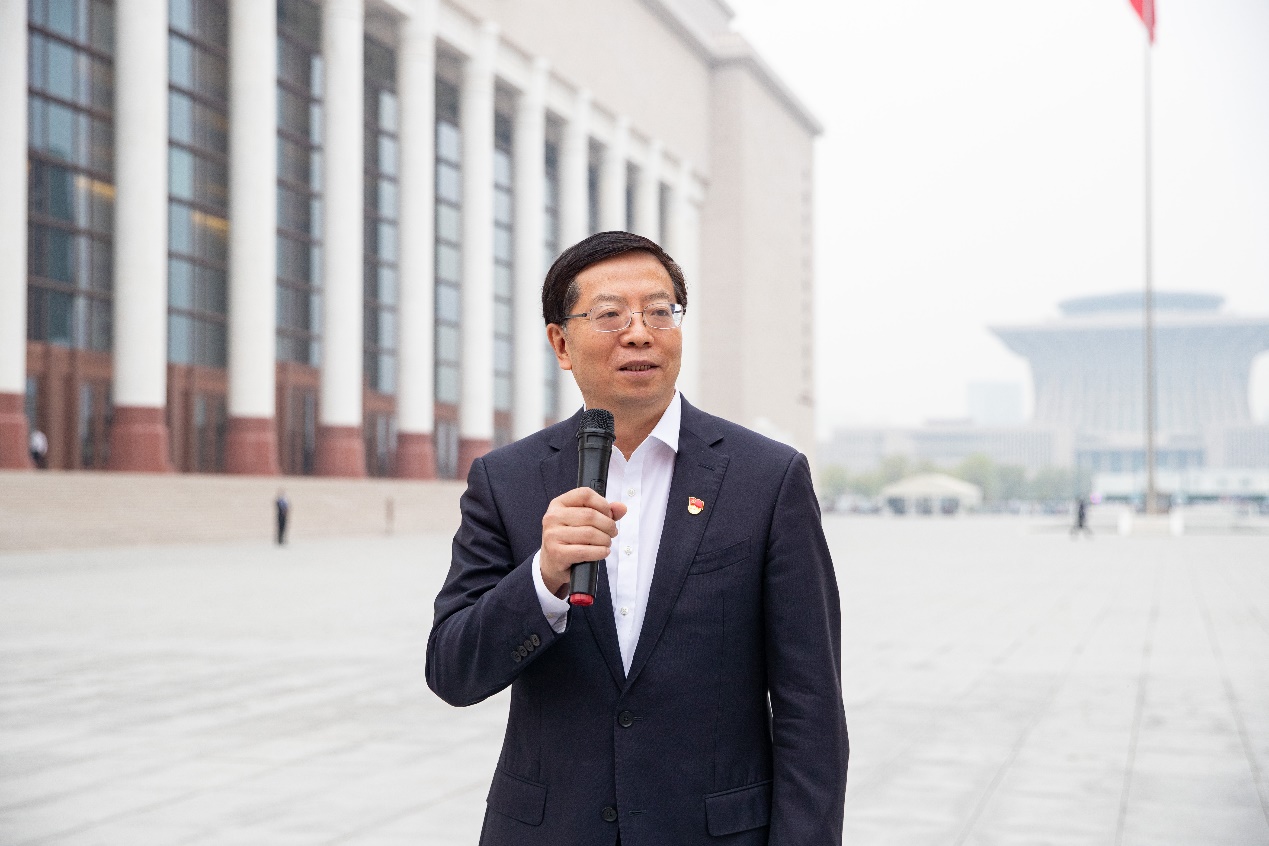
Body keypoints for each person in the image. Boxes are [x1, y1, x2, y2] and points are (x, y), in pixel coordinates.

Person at [426, 232, 848, 845]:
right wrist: (542, 579)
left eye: (659, 312)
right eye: (610, 315)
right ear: (561, 343)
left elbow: (810, 705)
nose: (640, 333)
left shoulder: (767, 478)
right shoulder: (506, 480)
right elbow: (452, 670)